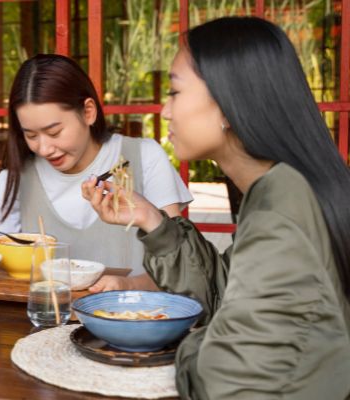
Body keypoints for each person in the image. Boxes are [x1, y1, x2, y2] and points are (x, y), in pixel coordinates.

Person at [82, 17, 350, 399]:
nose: (165, 111)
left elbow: (229, 379)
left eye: (175, 92)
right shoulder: (279, 188)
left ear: (227, 104)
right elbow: (223, 296)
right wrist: (151, 219)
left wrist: (195, 344)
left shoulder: (284, 209)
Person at [0, 54, 192, 292]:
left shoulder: (143, 156)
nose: (45, 148)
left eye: (55, 132)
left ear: (88, 112)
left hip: (136, 320)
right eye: (31, 135)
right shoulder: (20, 177)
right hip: (45, 321)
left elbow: (184, 265)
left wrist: (127, 284)